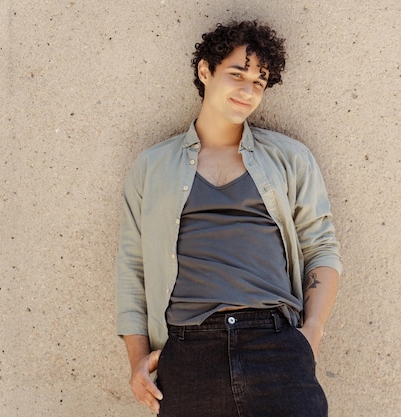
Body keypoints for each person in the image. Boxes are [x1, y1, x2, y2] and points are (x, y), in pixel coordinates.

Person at [115, 20, 342, 417]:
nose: (247, 90)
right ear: (206, 71)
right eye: (237, 74)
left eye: (259, 81)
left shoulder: (290, 160)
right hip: (187, 352)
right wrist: (137, 360)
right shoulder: (151, 167)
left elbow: (321, 247)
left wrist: (310, 336)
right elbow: (131, 267)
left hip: (276, 345)